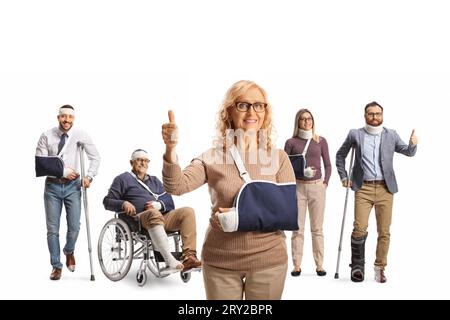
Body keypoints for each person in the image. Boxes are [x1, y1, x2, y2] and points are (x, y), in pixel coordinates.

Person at [161, 80, 296, 300]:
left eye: (259, 105)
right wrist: (170, 149)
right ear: (229, 112)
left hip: (268, 260)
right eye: (243, 104)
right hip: (220, 261)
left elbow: (288, 213)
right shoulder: (212, 157)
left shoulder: (278, 158)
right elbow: (176, 185)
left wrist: (238, 219)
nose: (252, 111)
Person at [336, 101, 417, 283]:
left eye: (378, 113)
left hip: (385, 189)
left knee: (384, 231)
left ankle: (380, 267)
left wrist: (413, 145)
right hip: (362, 187)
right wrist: (343, 177)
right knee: (359, 228)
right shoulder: (355, 134)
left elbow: (408, 152)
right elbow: (340, 155)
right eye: (371, 114)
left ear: (383, 115)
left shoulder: (391, 135)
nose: (375, 117)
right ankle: (357, 266)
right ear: (365, 116)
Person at [103, 149, 201, 273]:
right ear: (131, 162)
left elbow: (170, 202)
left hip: (161, 216)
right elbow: (107, 202)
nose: (143, 163)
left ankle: (189, 258)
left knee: (188, 211)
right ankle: (169, 260)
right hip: (138, 219)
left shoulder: (154, 180)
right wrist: (123, 203)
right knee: (152, 213)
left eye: (146, 160)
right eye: (139, 160)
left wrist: (158, 205)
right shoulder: (122, 179)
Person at [35, 105, 101, 280]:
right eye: (63, 117)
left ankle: (69, 250)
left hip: (74, 187)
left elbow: (95, 157)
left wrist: (89, 177)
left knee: (74, 227)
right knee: (52, 230)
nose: (66, 120)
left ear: (74, 119)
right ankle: (56, 266)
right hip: (52, 186)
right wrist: (63, 171)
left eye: (70, 117)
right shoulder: (46, 136)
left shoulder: (81, 135)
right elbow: (41, 164)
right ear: (58, 117)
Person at [284, 109, 331, 277]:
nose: (307, 122)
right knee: (297, 229)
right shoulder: (291, 142)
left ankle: (320, 265)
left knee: (317, 229)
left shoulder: (320, 141)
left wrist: (325, 183)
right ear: (298, 122)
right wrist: (301, 172)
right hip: (298, 188)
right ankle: (296, 265)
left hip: (317, 187)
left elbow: (327, 165)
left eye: (309, 119)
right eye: (303, 119)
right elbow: (285, 167)